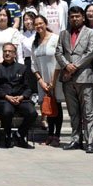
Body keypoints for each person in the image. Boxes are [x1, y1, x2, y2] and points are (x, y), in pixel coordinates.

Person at [55, 6, 93, 153]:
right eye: (72, 16)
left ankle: (90, 141)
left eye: (77, 16)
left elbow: (90, 53)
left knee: (88, 111)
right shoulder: (63, 34)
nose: (75, 19)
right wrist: (67, 66)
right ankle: (75, 140)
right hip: (67, 78)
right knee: (73, 112)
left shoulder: (91, 33)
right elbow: (58, 52)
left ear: (83, 17)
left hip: (85, 77)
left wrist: (74, 66)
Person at [0, 43, 36, 149]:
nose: (7, 53)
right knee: (7, 111)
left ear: (15, 54)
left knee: (32, 112)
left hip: (20, 99)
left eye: (10, 51)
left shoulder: (23, 68)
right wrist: (6, 96)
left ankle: (19, 135)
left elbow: (28, 88)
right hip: (3, 99)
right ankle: (7, 135)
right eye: (5, 51)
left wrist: (22, 97)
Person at [31, 15, 64, 146]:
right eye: (36, 24)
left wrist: (53, 82)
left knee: (57, 106)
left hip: (55, 78)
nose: (38, 26)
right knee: (48, 107)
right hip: (43, 80)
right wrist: (41, 81)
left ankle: (57, 135)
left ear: (45, 23)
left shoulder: (55, 39)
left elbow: (59, 60)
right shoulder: (35, 42)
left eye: (40, 23)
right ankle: (50, 134)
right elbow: (33, 64)